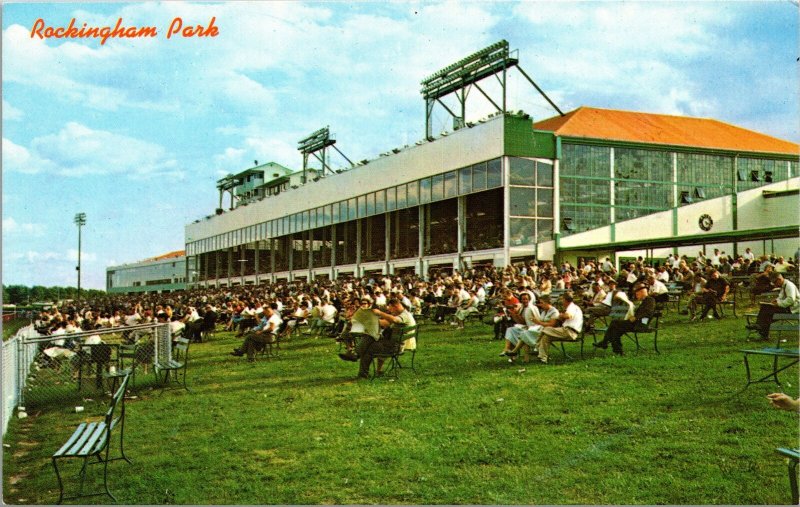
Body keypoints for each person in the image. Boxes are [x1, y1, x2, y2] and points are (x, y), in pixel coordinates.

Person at [339, 298, 415, 379]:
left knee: (368, 349)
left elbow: (395, 320)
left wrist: (380, 313)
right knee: (370, 336)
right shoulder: (403, 314)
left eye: (391, 309)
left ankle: (359, 365)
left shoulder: (404, 315)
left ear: (395, 306)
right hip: (392, 343)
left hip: (394, 346)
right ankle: (355, 354)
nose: (391, 312)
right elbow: (384, 324)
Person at [593, 283, 655, 355]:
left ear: (641, 292)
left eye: (637, 294)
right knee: (615, 329)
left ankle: (605, 343)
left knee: (614, 323)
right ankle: (617, 350)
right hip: (638, 322)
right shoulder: (646, 301)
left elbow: (648, 312)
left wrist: (636, 318)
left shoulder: (650, 300)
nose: (636, 296)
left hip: (641, 324)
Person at [503, 295, 560, 363]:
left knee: (525, 333)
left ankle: (515, 351)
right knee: (523, 332)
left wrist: (538, 322)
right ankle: (521, 356)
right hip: (539, 329)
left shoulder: (554, 311)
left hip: (548, 332)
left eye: (542, 303)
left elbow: (552, 325)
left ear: (547, 302)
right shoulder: (544, 311)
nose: (540, 305)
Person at [535, 292, 584, 364]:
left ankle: (536, 345)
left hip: (570, 332)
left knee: (546, 329)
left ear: (565, 300)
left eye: (562, 300)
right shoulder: (572, 307)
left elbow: (568, 316)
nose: (561, 302)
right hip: (567, 331)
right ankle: (542, 358)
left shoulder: (572, 307)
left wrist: (560, 316)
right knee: (546, 337)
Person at [748, 272, 799, 339]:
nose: (775, 285)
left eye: (775, 282)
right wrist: (776, 301)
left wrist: (778, 304)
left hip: (792, 308)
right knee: (765, 308)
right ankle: (761, 328)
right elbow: (781, 297)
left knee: (768, 313)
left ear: (779, 279)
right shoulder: (784, 285)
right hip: (787, 306)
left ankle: (761, 329)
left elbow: (790, 300)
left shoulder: (789, 286)